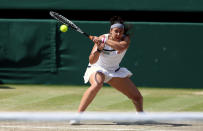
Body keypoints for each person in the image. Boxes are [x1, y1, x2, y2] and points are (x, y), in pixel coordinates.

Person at [70, 16, 143, 125]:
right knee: (97, 84)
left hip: (114, 71)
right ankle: (78, 116)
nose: (118, 34)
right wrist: (99, 49)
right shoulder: (103, 37)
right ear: (110, 31)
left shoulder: (125, 39)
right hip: (97, 68)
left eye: (121, 31)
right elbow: (92, 60)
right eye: (116, 31)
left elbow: (120, 47)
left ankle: (141, 116)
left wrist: (104, 41)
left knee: (137, 97)